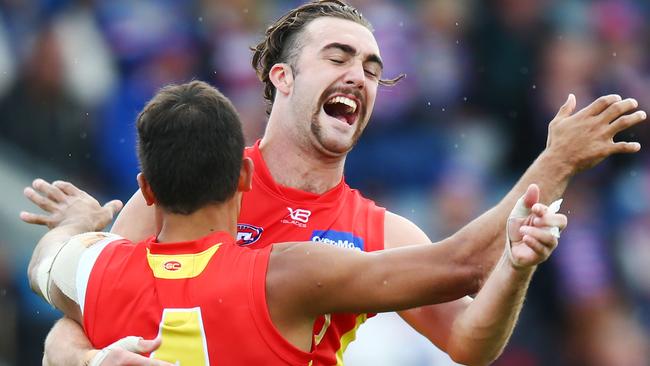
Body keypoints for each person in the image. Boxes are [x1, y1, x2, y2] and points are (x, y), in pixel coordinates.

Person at [22, 1, 646, 365]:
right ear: (281, 78)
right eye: (339, 57)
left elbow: (469, 344)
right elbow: (80, 316)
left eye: (372, 68)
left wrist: (515, 265)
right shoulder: (201, 173)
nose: (360, 77)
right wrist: (88, 359)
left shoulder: (381, 231)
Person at [24, 81, 565, 365]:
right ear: (243, 177)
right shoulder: (285, 275)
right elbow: (463, 265)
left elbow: (45, 261)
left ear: (146, 190)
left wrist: (80, 223)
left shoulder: (99, 268)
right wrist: (557, 161)